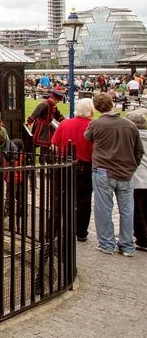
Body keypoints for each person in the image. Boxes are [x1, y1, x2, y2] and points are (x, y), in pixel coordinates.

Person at [84, 93, 143, 256]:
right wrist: (132, 166)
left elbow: (87, 137)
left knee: (103, 207)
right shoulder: (129, 124)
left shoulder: (96, 124)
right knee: (126, 209)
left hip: (104, 170)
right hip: (124, 171)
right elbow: (139, 151)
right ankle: (127, 245)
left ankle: (107, 244)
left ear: (96, 107)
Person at [50, 97, 95, 242]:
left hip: (64, 163)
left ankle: (53, 230)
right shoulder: (91, 126)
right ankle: (80, 232)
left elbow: (54, 145)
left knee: (59, 198)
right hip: (84, 165)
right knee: (83, 201)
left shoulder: (65, 123)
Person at [125, 109, 147, 252]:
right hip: (141, 176)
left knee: (137, 209)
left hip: (137, 176)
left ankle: (142, 238)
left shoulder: (133, 137)